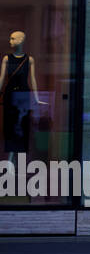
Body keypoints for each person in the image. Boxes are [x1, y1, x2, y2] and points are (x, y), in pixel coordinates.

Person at [1, 31, 40, 162]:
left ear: (20, 40)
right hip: (10, 94)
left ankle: (18, 158)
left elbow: (32, 79)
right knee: (10, 125)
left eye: (12, 39)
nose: (10, 41)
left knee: (22, 125)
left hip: (23, 95)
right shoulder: (6, 59)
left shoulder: (30, 60)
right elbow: (1, 78)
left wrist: (36, 97)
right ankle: (11, 158)